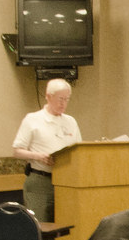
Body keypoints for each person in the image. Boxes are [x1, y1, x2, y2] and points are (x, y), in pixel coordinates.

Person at [12, 78, 82, 222]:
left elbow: (79, 150)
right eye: (60, 99)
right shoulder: (33, 119)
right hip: (41, 180)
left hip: (67, 182)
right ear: (48, 97)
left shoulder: (70, 121)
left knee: (67, 225)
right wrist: (38, 156)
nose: (63, 103)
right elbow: (17, 151)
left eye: (67, 99)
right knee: (41, 224)